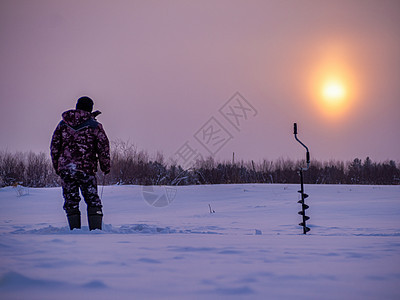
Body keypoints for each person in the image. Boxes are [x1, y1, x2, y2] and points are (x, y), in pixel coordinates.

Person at [50, 96, 110, 230]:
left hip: (66, 169)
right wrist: (105, 166)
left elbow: (54, 147)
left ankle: (74, 231)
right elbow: (103, 147)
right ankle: (95, 231)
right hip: (86, 169)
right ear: (90, 108)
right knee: (92, 199)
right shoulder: (94, 126)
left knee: (71, 201)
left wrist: (57, 167)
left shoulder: (62, 125)